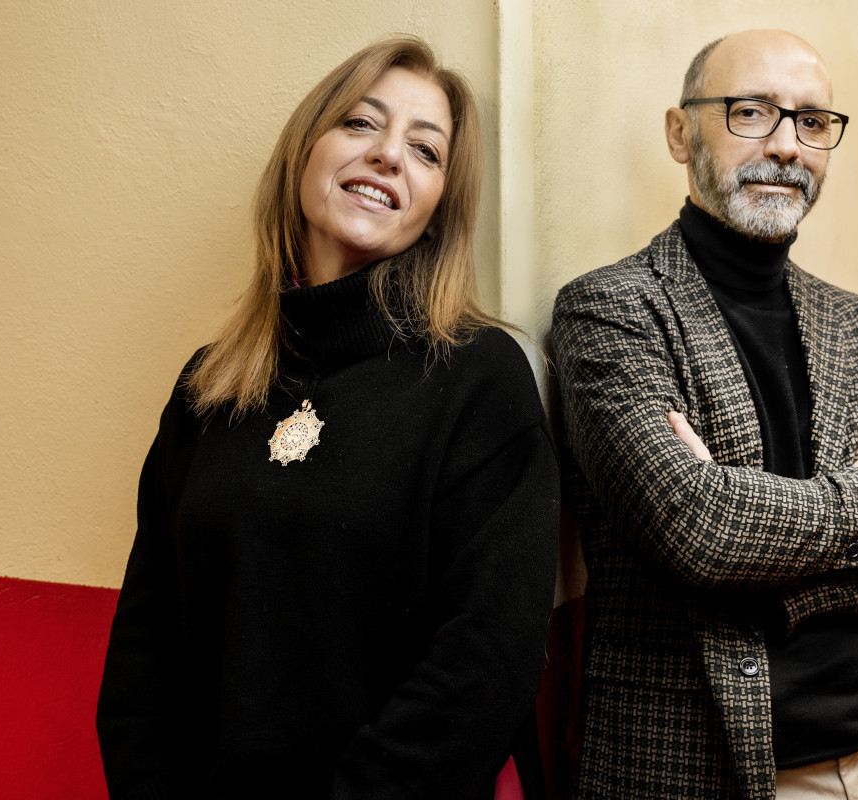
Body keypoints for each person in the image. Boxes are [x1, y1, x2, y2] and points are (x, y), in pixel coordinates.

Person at [97, 35, 559, 800]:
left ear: (439, 207)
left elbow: (486, 659)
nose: (387, 156)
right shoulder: (207, 389)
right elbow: (147, 651)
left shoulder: (481, 379)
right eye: (360, 123)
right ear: (304, 153)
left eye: (426, 150)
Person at [551, 30, 858, 800]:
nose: (786, 146)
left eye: (812, 122)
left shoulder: (856, 325)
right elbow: (698, 529)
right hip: (709, 769)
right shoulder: (611, 310)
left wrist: (762, 560)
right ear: (681, 134)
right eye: (752, 112)